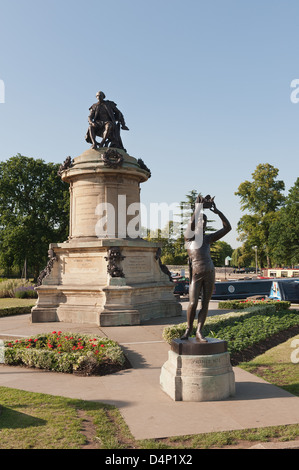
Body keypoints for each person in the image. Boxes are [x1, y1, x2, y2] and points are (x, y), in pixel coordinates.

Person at [181, 197, 231, 341]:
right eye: (200, 221)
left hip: (209, 272)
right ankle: (188, 329)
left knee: (205, 304)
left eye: (205, 222)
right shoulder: (189, 238)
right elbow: (191, 224)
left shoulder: (208, 239)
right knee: (192, 303)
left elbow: (227, 228)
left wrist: (218, 212)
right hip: (196, 275)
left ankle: (199, 331)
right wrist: (198, 208)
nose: (203, 223)